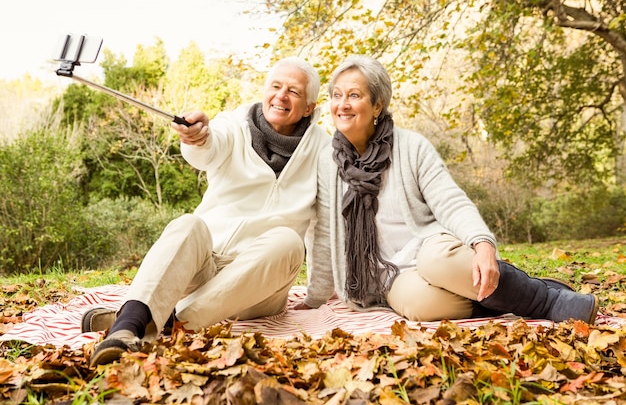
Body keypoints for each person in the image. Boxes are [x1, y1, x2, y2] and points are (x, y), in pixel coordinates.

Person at [295, 55, 598, 325]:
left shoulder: (410, 146)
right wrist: (316, 296)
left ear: (377, 105)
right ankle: (505, 294)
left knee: (437, 262)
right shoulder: (327, 161)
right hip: (389, 274)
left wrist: (482, 244)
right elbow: (323, 233)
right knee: (421, 305)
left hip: (429, 247)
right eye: (336, 95)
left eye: (354, 95)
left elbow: (449, 201)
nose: (342, 104)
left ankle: (545, 299)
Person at [84, 56, 330, 366]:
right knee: (188, 223)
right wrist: (197, 137)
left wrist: (317, 296)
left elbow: (325, 227)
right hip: (204, 266)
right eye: (275, 86)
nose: (280, 96)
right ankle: (126, 327)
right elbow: (209, 146)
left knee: (288, 241)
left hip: (258, 283)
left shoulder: (325, 151)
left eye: (293, 91)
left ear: (309, 107)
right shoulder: (234, 124)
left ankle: (159, 320)